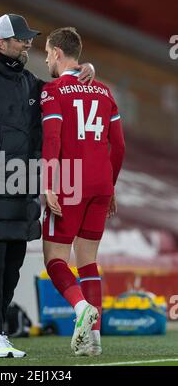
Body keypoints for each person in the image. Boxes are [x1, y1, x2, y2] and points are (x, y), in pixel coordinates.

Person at [0, 14, 95, 359]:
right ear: (1, 42)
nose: (27, 43)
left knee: (12, 268)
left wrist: (82, 72)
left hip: (22, 191)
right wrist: (5, 163)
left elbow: (59, 96)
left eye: (29, 38)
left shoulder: (29, 81)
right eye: (20, 39)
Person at [41, 27, 125, 356]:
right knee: (88, 262)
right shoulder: (104, 91)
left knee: (55, 260)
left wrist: (48, 181)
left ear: (58, 53)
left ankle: (80, 310)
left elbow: (52, 140)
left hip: (69, 181)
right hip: (101, 183)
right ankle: (95, 340)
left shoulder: (54, 90)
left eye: (47, 53)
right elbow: (117, 146)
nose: (46, 58)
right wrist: (111, 185)